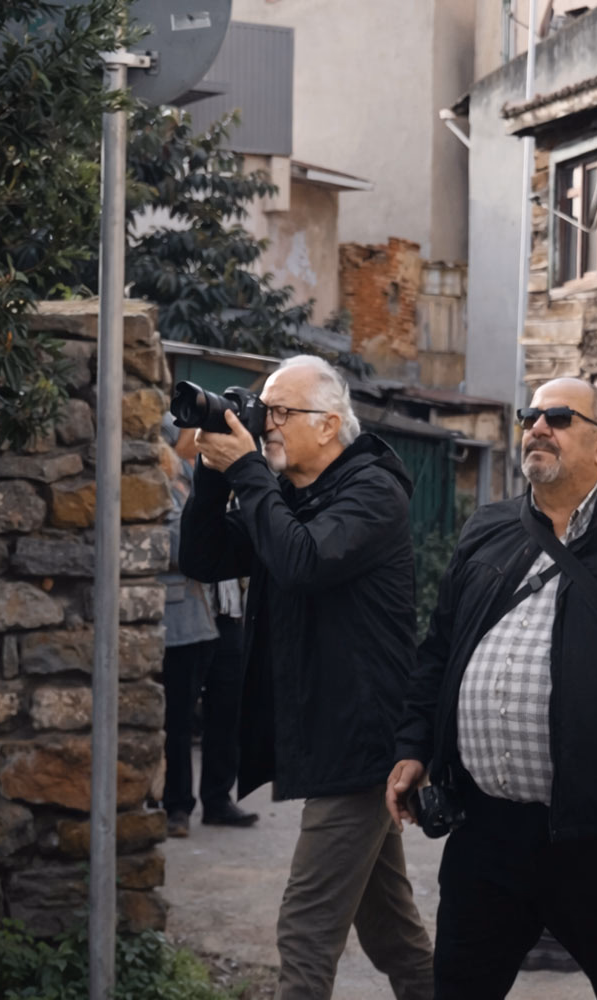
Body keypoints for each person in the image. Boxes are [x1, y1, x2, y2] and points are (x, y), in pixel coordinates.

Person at [386, 377, 597, 1000]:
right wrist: (413, 746)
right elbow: (438, 651)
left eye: (558, 418)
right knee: (459, 987)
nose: (537, 427)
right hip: (486, 832)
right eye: (530, 415)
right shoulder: (486, 530)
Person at [180, 355, 433, 1000]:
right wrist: (214, 479)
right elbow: (203, 556)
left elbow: (302, 561)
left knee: (305, 931)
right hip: (329, 737)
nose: (267, 424)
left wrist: (248, 472)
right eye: (265, 410)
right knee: (391, 934)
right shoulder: (291, 493)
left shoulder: (372, 491)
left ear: (327, 425)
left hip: (361, 744)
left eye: (281, 412)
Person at [160, 420, 257, 836]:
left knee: (227, 713)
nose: (201, 438)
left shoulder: (227, 475)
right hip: (188, 616)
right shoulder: (163, 484)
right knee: (178, 716)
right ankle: (176, 805)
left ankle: (219, 798)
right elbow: (170, 547)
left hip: (228, 612)